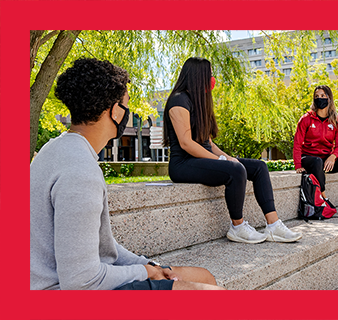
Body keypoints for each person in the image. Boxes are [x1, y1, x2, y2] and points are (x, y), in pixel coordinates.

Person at [30, 58, 224, 290]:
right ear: (115, 112)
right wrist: (144, 272)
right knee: (210, 292)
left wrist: (149, 266)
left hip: (75, 279)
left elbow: (104, 246)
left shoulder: (56, 149)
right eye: (126, 105)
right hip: (59, 290)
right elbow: (80, 283)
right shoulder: (79, 172)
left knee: (203, 277)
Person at [163, 57, 302, 244]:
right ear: (198, 76)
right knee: (235, 171)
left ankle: (274, 225)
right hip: (183, 164)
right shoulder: (178, 100)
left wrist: (227, 157)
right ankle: (237, 227)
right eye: (209, 75)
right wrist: (221, 162)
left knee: (259, 166)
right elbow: (186, 143)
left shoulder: (199, 101)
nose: (212, 79)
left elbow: (208, 144)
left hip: (203, 159)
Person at [293, 85, 338, 216]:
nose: (319, 98)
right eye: (317, 96)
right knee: (317, 162)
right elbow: (297, 144)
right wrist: (298, 165)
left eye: (322, 96)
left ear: (329, 98)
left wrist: (333, 156)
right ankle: (323, 198)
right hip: (309, 158)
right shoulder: (306, 119)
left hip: (326, 159)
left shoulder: (337, 121)